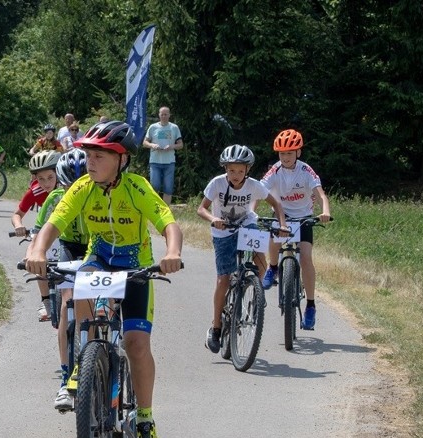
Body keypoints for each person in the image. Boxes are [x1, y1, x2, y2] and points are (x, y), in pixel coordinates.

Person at [25, 120, 183, 438]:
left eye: (98, 155)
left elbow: (167, 221)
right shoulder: (82, 187)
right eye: (87, 154)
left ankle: (144, 420)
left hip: (135, 264)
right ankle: (87, 354)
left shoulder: (137, 187)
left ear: (121, 160)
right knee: (83, 280)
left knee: (136, 345)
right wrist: (38, 251)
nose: (90, 161)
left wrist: (172, 253)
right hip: (100, 258)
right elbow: (55, 222)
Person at [196, 144, 289, 353]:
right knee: (224, 278)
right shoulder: (217, 184)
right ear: (225, 169)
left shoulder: (254, 186)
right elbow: (201, 208)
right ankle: (216, 327)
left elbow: (277, 205)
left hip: (246, 224)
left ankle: (258, 290)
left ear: (248, 170)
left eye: (240, 170)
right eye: (231, 170)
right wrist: (214, 219)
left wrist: (282, 224)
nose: (235, 174)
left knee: (259, 253)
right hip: (223, 231)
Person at [27, 148, 90, 410]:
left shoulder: (101, 196)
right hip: (68, 246)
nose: (74, 191)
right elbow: (40, 232)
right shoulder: (54, 199)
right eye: (67, 186)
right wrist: (32, 254)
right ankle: (65, 379)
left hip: (95, 247)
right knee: (67, 302)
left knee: (99, 302)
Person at [260, 129, 331, 330]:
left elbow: (322, 195)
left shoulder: (306, 171)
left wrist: (324, 212)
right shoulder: (274, 171)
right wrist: (251, 213)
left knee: (306, 257)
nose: (286, 157)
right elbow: (259, 191)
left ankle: (310, 306)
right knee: (274, 240)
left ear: (298, 153)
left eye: (290, 153)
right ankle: (273, 267)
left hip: (304, 217)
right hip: (282, 215)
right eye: (282, 153)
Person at [12, 150, 62, 322]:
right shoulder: (36, 191)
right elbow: (17, 214)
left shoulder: (68, 189)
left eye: (50, 177)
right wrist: (19, 226)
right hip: (44, 230)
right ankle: (46, 301)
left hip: (66, 231)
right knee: (37, 257)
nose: (46, 183)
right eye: (41, 179)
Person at [142, 106, 184, 205]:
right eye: (162, 114)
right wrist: (153, 145)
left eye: (166, 114)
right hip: (155, 162)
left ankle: (166, 212)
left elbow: (181, 145)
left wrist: (171, 146)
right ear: (159, 115)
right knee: (154, 187)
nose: (164, 116)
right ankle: (155, 210)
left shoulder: (174, 127)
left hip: (169, 162)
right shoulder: (153, 127)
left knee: (168, 188)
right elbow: (144, 142)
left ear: (169, 115)